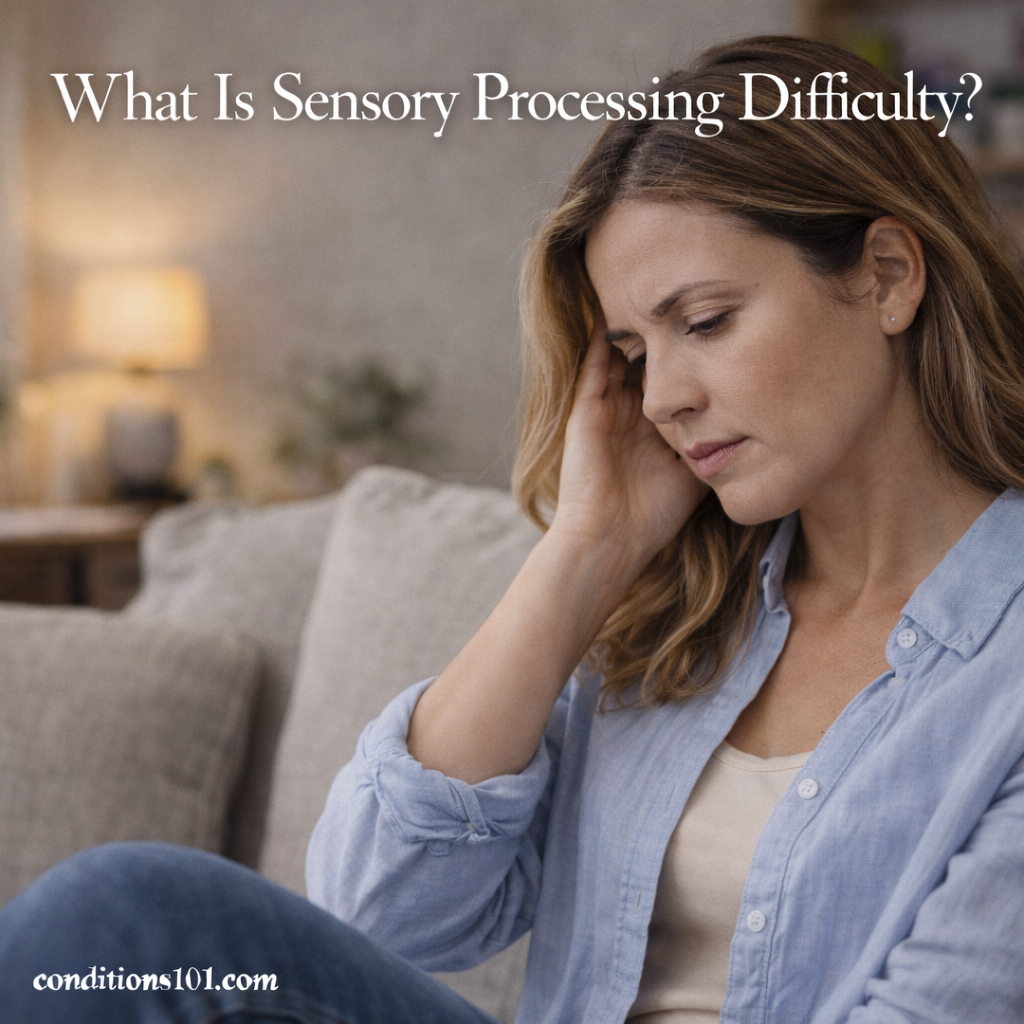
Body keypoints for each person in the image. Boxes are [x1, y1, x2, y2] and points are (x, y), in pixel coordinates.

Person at [2, 33, 1024, 1024]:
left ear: (888, 274)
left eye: (704, 321)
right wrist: (585, 548)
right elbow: (386, 906)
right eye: (630, 350)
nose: (662, 395)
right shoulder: (683, 615)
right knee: (117, 925)